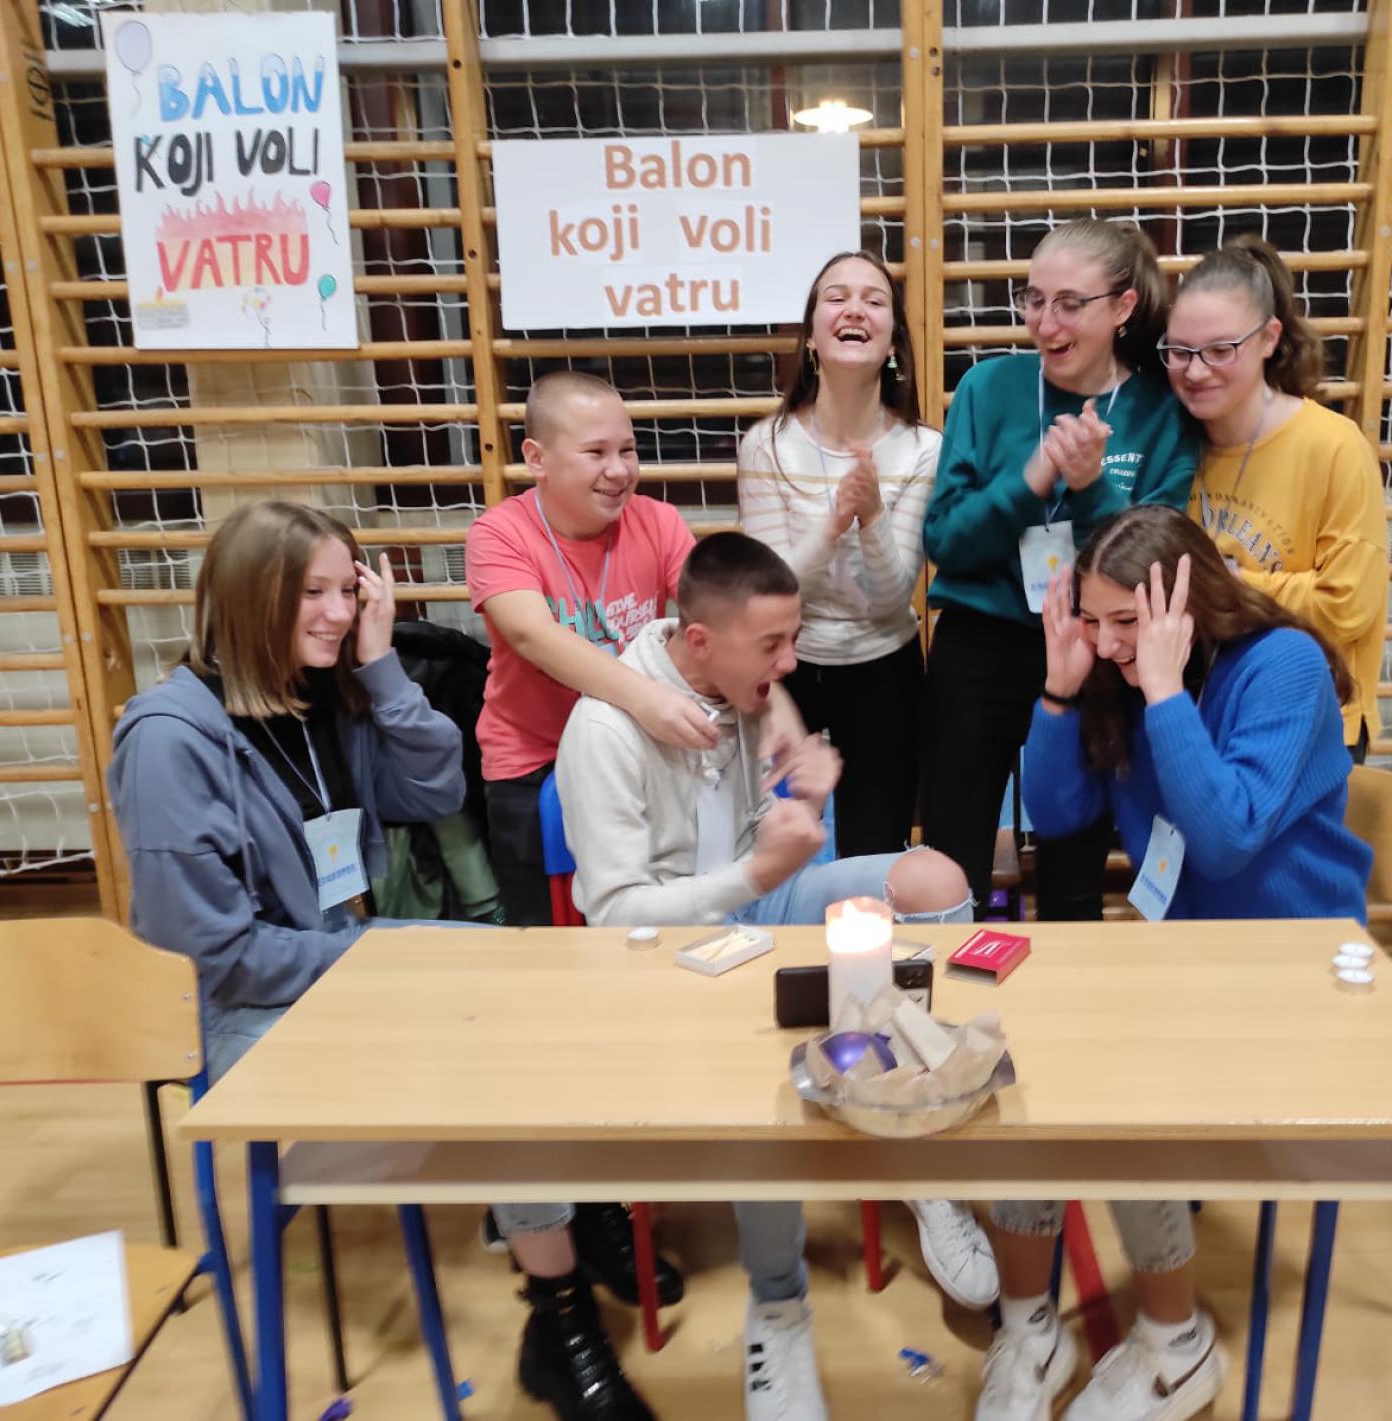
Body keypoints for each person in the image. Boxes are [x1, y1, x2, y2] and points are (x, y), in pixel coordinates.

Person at [109, 500, 656, 1421]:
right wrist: (379, 964)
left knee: (532, 983)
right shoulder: (171, 739)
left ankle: (563, 1220)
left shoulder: (326, 692)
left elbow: (437, 786)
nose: (336, 612)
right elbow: (214, 954)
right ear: (247, 598)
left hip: (340, 966)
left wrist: (380, 664)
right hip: (245, 1011)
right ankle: (560, 1309)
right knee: (495, 1044)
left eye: (347, 589)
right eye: (311, 594)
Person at [557, 532, 995, 1421]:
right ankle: (779, 1305)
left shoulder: (742, 688)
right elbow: (614, 915)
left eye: (792, 638)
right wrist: (757, 873)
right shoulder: (604, 730)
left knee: (935, 881)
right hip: (667, 949)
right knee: (760, 1076)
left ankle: (916, 1147)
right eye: (775, 643)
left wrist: (804, 806)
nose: (791, 662)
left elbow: (760, 836)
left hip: (756, 907)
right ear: (699, 638)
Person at [976, 506, 1370, 1421]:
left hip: (1293, 968)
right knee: (1018, 1059)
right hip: (1186, 962)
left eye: (1128, 621)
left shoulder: (1282, 665)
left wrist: (1162, 692)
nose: (1109, 641)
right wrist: (1060, 691)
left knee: (1117, 1085)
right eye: (1093, 619)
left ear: (1186, 607)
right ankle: (1029, 1326)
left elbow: (1226, 839)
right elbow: (1058, 813)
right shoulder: (1117, 674)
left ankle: (1175, 1341)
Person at [463, 371, 692, 1336]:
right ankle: (570, 1208)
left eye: (628, 449)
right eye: (596, 452)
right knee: (550, 1001)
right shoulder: (501, 533)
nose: (619, 469)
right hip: (531, 773)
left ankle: (612, 1189)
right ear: (537, 458)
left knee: (631, 978)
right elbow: (535, 636)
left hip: (637, 776)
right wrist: (649, 699)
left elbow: (709, 618)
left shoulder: (660, 523)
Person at [922, 218, 1198, 922]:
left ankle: (1071, 992)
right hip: (979, 647)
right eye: (1034, 300)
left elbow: (1152, 559)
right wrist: (1034, 479)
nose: (1046, 324)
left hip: (1092, 648)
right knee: (952, 863)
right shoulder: (989, 387)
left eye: (1070, 304)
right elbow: (945, 540)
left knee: (1074, 864)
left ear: (1123, 307)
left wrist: (1093, 486)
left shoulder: (1160, 410)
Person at [737, 250, 938, 855]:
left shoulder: (924, 449)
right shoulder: (766, 445)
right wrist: (833, 525)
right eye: (837, 297)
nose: (854, 310)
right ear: (811, 337)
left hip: (885, 669)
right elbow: (767, 592)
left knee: (873, 855)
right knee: (772, 849)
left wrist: (871, 516)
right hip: (783, 669)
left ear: (893, 342)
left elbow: (891, 598)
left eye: (874, 301)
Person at [1167, 234, 1390, 762]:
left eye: (1220, 350)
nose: (1195, 371)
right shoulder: (1175, 441)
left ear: (1269, 338)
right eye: (1179, 351)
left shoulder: (1333, 446)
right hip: (1205, 712)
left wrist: (1225, 587)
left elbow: (1347, 606)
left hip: (1313, 720)